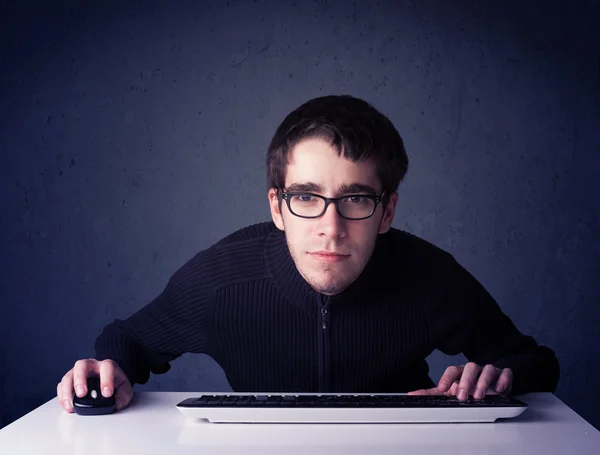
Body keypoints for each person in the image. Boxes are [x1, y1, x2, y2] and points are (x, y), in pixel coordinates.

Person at [57, 95, 559, 413]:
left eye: (357, 198)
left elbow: (535, 360)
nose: (331, 228)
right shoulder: (222, 278)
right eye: (306, 197)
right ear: (278, 207)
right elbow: (127, 340)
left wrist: (502, 375)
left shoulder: (427, 276)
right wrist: (109, 367)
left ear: (387, 213)